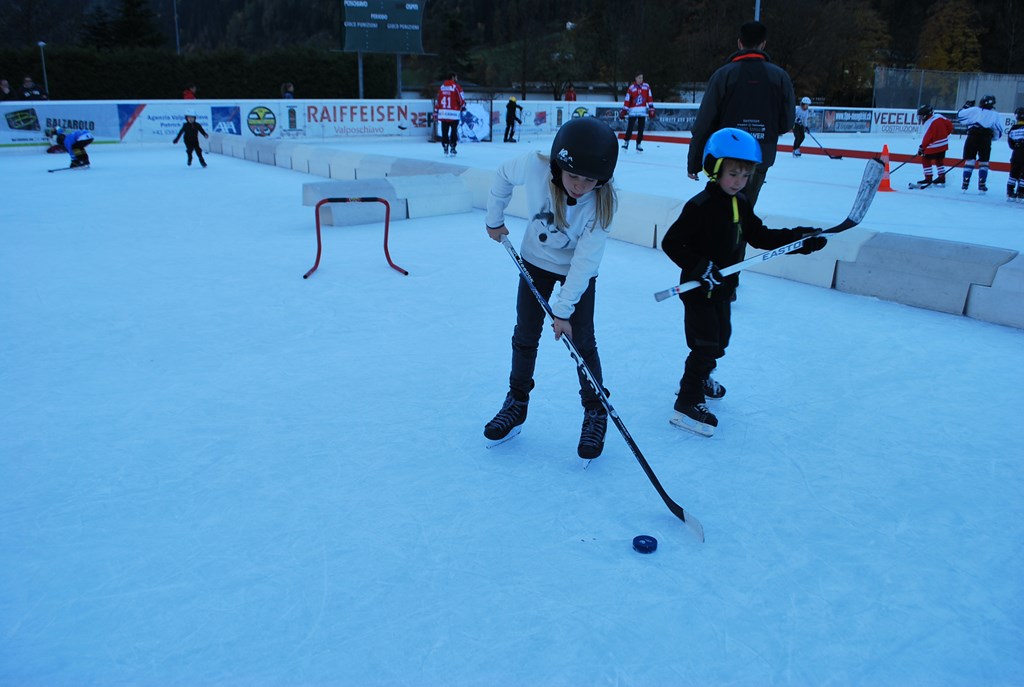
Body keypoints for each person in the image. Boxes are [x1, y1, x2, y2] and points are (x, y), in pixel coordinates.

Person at [661, 128, 826, 437]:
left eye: (745, 175)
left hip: (724, 288)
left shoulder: (740, 202)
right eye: (733, 173)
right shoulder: (700, 206)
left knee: (720, 341)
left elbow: (760, 236)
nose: (738, 181)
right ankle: (687, 400)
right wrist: (700, 266)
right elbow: (672, 243)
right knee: (704, 344)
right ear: (715, 168)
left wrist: (800, 240)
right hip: (699, 290)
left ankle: (702, 377)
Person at [482, 117, 620, 459]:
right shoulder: (535, 166)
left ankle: (595, 410)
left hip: (577, 272)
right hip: (536, 261)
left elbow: (585, 263)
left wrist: (563, 310)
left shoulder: (603, 203)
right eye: (574, 176)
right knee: (525, 335)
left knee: (582, 342)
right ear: (558, 165)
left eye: (590, 180)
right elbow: (502, 175)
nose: (581, 186)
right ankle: (517, 402)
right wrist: (494, 219)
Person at [687, 21, 795, 208]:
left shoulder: (723, 75)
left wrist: (695, 162)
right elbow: (787, 122)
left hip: (726, 154)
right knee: (744, 209)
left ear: (739, 43)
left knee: (720, 209)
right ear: (763, 44)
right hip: (760, 154)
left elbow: (704, 122)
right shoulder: (780, 77)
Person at [957, 95, 1004, 193]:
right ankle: (982, 183)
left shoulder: (974, 110)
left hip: (972, 136)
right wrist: (993, 138)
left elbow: (960, 115)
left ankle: (965, 182)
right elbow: (998, 130)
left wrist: (966, 106)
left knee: (970, 160)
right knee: (984, 161)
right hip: (985, 138)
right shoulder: (995, 114)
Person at [912, 104, 954, 188]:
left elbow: (927, 138)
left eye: (921, 116)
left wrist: (922, 148)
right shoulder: (939, 116)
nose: (921, 118)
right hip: (944, 144)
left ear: (926, 115)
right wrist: (944, 134)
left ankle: (928, 178)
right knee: (939, 160)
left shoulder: (928, 123)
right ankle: (942, 177)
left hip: (934, 145)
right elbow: (950, 126)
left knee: (925, 159)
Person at [619, 71, 655, 152]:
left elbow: (649, 98)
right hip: (633, 112)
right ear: (636, 78)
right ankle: (626, 142)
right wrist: (624, 110)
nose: (641, 79)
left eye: (642, 78)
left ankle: (639, 144)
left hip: (642, 112)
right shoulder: (631, 88)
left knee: (641, 129)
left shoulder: (646, 86)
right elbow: (627, 100)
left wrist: (651, 108)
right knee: (630, 128)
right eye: (639, 78)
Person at [434, 71, 466, 157]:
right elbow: (461, 99)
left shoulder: (442, 87)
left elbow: (438, 99)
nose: (457, 79)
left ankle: (445, 145)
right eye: (456, 77)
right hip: (453, 114)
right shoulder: (456, 87)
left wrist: (436, 111)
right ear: (453, 77)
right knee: (453, 131)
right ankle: (452, 146)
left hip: (443, 113)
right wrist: (463, 106)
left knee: (444, 131)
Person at [1007, 107, 1024, 202]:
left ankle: (1010, 191)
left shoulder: (1013, 128)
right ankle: (1021, 192)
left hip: (1017, 151)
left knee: (1014, 172)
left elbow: (1010, 143)